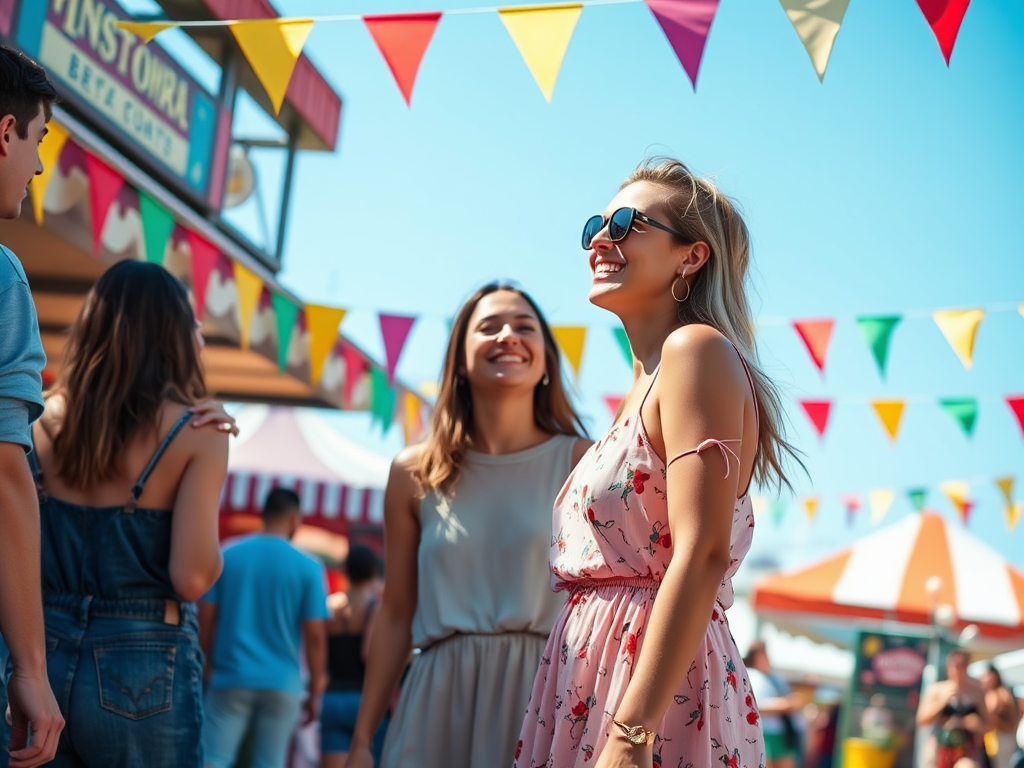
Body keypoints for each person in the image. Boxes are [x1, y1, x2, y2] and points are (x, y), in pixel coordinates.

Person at [516, 158, 803, 768]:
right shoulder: (644, 381)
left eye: (626, 222)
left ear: (690, 257)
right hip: (597, 685)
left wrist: (632, 732)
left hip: (652, 699)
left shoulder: (695, 350)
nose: (600, 237)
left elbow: (702, 553)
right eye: (597, 221)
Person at [346, 283, 592, 768]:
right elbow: (396, 613)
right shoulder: (414, 472)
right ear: (459, 358)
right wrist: (360, 739)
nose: (508, 336)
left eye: (525, 327)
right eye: (489, 326)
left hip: (545, 696)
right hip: (433, 701)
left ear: (546, 359)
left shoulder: (585, 462)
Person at [29, 259, 236, 767]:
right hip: (146, 667)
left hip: (41, 651)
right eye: (192, 321)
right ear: (170, 334)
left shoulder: (39, 417)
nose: (201, 332)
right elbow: (191, 577)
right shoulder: (200, 431)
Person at [0, 43, 64, 768]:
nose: (39, 166)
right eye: (38, 140)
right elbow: (6, 475)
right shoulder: (2, 276)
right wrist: (32, 669)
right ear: (4, 131)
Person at [199, 488, 330, 768]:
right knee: (269, 762)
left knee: (213, 758)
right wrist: (315, 690)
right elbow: (316, 636)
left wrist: (206, 663)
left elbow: (205, 617)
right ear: (295, 519)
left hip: (229, 676)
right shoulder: (309, 566)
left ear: (263, 514)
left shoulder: (228, 554)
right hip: (283, 683)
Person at [319, 545, 385, 768]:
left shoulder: (329, 605)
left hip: (331, 698)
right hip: (363, 700)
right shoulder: (375, 608)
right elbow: (368, 654)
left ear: (345, 571)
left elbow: (319, 649)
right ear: (373, 573)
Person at [917, 649, 990, 768]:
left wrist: (975, 724)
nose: (958, 670)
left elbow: (989, 725)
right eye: (956, 666)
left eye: (962, 666)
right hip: (940, 745)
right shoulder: (936, 690)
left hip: (967, 748)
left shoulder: (976, 692)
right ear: (948, 667)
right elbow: (922, 720)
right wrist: (941, 702)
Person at [746, 641, 805, 768]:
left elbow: (793, 699)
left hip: (783, 734)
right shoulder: (750, 675)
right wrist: (783, 706)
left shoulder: (776, 678)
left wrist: (790, 704)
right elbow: (753, 706)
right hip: (763, 733)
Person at [981, 665, 1018, 768]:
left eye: (987, 676)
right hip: (994, 737)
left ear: (994, 676)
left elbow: (991, 714)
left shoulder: (1001, 693)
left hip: (1002, 737)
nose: (984, 679)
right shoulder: (993, 693)